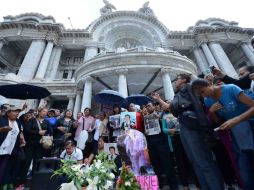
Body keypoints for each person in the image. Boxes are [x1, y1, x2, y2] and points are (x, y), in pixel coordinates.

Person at [151, 73, 224, 190]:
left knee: (203, 160)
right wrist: (159, 99)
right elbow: (170, 108)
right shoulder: (178, 94)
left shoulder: (190, 87)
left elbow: (197, 105)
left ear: (184, 80)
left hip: (193, 124)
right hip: (184, 124)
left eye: (177, 79)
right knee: (194, 161)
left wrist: (204, 125)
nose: (175, 81)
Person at [192, 78, 254, 190]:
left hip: (249, 127)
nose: (203, 95)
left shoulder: (230, 88)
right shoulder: (208, 101)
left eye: (203, 91)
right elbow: (217, 121)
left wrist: (237, 119)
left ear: (209, 84)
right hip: (236, 137)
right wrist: (212, 112)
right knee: (245, 173)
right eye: (200, 95)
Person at [144, 102, 177, 190]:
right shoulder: (145, 118)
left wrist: (160, 119)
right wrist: (146, 132)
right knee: (156, 166)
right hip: (152, 145)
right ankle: (159, 185)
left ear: (154, 107)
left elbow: (166, 128)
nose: (148, 107)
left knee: (168, 164)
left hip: (162, 144)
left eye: (149, 105)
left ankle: (173, 186)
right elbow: (146, 132)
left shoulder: (161, 115)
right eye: (146, 106)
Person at [19, 107, 52, 185]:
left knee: (37, 163)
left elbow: (50, 132)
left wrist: (46, 134)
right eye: (43, 111)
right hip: (30, 144)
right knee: (26, 163)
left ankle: (34, 182)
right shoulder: (32, 120)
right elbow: (26, 130)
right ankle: (21, 182)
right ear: (39, 112)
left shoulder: (47, 122)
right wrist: (38, 132)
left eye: (46, 112)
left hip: (40, 146)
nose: (45, 113)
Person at [0, 105, 25, 189]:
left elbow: (20, 132)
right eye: (15, 111)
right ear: (8, 112)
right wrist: (2, 129)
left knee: (2, 169)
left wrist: (22, 139)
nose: (17, 113)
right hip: (1, 147)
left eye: (18, 111)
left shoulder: (18, 122)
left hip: (10, 150)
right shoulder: (1, 119)